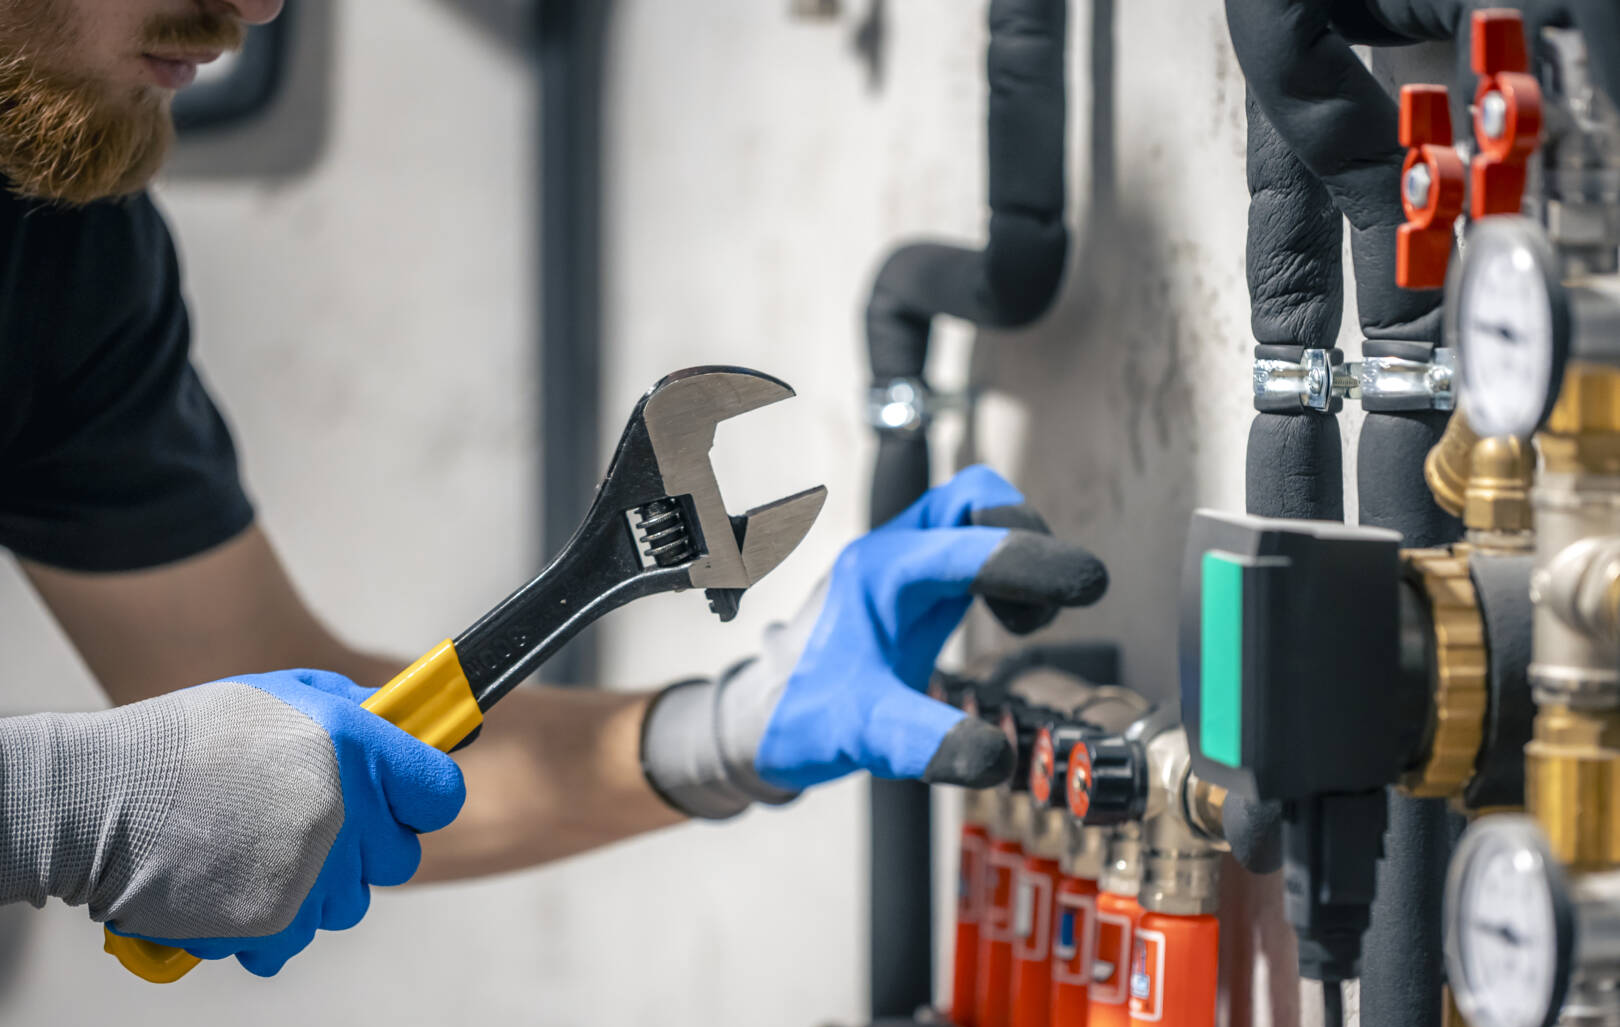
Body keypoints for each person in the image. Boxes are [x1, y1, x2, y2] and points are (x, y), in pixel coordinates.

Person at [0, 0, 1104, 977]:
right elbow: (123, 789)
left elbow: (286, 745)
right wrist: (50, 807)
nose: (259, 5)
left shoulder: (62, 253)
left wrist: (727, 729)